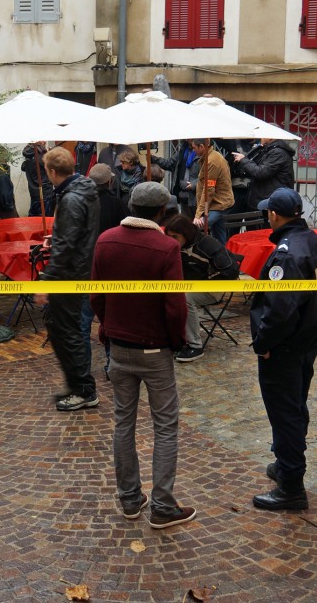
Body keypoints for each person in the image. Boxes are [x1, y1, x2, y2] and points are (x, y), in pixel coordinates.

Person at [90, 181, 196, 529]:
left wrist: (108, 326)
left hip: (118, 346)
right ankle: (163, 505)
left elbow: (97, 295)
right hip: (154, 349)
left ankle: (130, 499)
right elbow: (175, 304)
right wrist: (177, 340)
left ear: (131, 206)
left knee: (124, 423)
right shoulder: (166, 248)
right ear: (163, 211)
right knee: (165, 427)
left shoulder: (105, 241)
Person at [249, 187, 317, 511]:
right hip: (308, 341)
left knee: (286, 413)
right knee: (295, 406)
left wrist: (263, 344)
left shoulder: (288, 254)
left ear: (273, 214)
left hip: (285, 347)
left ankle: (291, 486)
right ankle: (284, 465)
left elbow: (278, 309)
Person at [35, 148, 100, 411]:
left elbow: (66, 248)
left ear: (51, 171)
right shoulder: (84, 190)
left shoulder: (72, 198)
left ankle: (83, 389)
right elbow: (77, 235)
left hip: (70, 275)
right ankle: (80, 386)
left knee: (67, 331)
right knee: (64, 328)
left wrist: (46, 283)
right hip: (77, 270)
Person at [162, 215, 240, 363]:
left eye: (175, 237)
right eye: (169, 237)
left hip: (212, 288)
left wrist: (205, 282)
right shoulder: (174, 247)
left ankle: (195, 346)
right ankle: (174, 338)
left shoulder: (208, 244)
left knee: (185, 298)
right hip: (186, 286)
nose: (171, 240)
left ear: (186, 234)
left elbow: (231, 270)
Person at [81, 163, 130, 373]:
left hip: (85, 267)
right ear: (110, 181)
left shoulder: (79, 202)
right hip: (111, 266)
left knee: (83, 321)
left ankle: (82, 368)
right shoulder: (117, 204)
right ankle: (112, 363)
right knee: (111, 318)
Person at [232, 138, 296, 215]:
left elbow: (260, 172)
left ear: (270, 137)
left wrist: (243, 160)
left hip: (268, 200)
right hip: (263, 198)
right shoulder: (268, 149)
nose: (260, 137)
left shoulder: (277, 152)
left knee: (262, 226)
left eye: (263, 136)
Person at [191, 139, 235, 244]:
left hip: (219, 204)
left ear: (201, 146)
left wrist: (198, 215)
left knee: (196, 227)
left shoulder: (212, 161)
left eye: (194, 148)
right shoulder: (211, 157)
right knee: (219, 238)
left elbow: (208, 190)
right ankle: (221, 257)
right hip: (217, 204)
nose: (193, 151)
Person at [21, 141, 54, 216]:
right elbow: (52, 167)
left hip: (34, 192)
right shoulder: (40, 154)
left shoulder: (28, 153)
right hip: (45, 193)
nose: (45, 141)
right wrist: (50, 155)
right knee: (45, 219)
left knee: (34, 218)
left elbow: (23, 167)